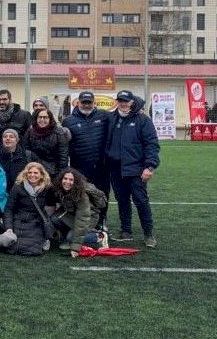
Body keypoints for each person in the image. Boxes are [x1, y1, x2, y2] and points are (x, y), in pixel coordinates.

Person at [105, 90, 159, 247]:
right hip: (115, 169)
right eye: (120, 100)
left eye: (126, 101)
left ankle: (148, 234)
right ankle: (126, 231)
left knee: (141, 201)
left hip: (136, 169)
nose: (123, 103)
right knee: (122, 201)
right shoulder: (112, 118)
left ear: (132, 102)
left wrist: (149, 166)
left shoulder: (143, 120)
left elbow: (152, 145)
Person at [63, 91, 111, 228]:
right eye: (84, 102)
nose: (86, 105)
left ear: (94, 102)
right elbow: (65, 144)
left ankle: (102, 222)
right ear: (78, 103)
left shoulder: (104, 116)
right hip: (80, 167)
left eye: (89, 102)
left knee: (102, 195)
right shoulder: (69, 120)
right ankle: (84, 223)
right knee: (83, 196)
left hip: (101, 167)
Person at [0, 162, 54, 257]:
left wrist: (46, 222)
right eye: (30, 172)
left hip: (35, 221)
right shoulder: (18, 187)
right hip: (18, 219)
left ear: (41, 175)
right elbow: (8, 210)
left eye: (36, 173)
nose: (32, 175)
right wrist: (9, 228)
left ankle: (44, 239)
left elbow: (51, 205)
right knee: (11, 246)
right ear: (26, 174)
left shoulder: (47, 189)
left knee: (33, 250)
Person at [51, 167, 109, 256]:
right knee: (55, 218)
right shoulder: (60, 188)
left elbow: (82, 218)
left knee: (71, 237)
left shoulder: (81, 194)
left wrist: (75, 248)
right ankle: (67, 239)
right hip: (74, 214)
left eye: (71, 180)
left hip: (89, 217)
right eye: (65, 179)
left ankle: (100, 236)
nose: (67, 182)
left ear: (76, 181)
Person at [22, 108, 70, 178]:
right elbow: (25, 150)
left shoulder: (59, 133)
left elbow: (63, 156)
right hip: (34, 171)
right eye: (40, 117)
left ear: (50, 119)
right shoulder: (30, 132)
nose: (42, 120)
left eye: (45, 117)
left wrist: (60, 175)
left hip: (53, 172)